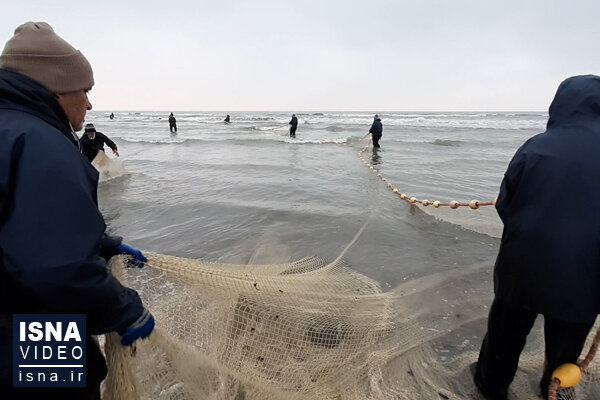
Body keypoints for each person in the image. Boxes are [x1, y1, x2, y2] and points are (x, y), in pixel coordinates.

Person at [0, 21, 154, 398]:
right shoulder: (39, 143)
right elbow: (55, 267)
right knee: (65, 389)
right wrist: (124, 308)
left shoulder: (10, 129)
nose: (89, 102)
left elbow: (20, 226)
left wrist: (101, 243)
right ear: (55, 88)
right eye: (84, 90)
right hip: (30, 327)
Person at [473, 75, 600, 400]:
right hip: (585, 277)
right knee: (566, 346)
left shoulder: (536, 145)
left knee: (505, 335)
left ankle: (491, 385)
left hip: (522, 267)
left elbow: (506, 203)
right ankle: (553, 389)